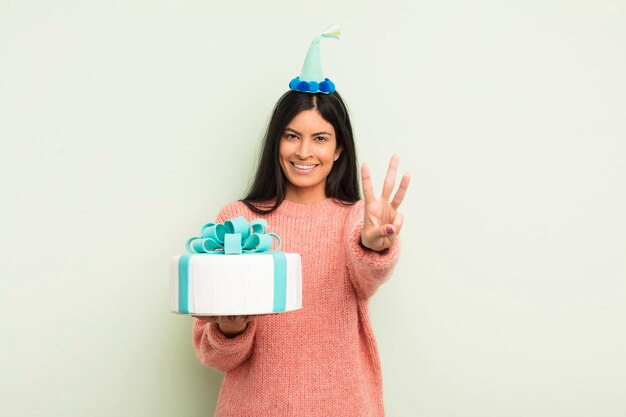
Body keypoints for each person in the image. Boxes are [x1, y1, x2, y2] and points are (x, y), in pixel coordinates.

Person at [191, 27, 410, 416]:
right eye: (292, 136)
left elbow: (370, 269)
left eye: (320, 138)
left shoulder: (355, 221)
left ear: (339, 147)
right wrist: (230, 328)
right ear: (276, 142)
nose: (304, 151)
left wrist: (375, 244)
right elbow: (214, 356)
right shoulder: (236, 221)